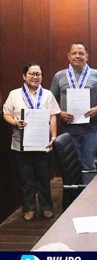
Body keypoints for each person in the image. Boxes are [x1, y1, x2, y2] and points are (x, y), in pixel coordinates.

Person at [3, 63, 61, 221]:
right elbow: (6, 113)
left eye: (38, 74)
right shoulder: (14, 94)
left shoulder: (47, 94)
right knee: (25, 178)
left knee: (43, 177)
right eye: (32, 74)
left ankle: (46, 207)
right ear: (24, 76)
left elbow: (53, 116)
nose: (35, 77)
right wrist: (15, 123)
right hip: (20, 144)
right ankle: (29, 208)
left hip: (42, 144)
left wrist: (53, 136)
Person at [51, 42, 97, 183]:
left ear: (87, 56)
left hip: (91, 129)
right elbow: (51, 100)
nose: (77, 56)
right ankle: (73, 199)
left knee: (89, 165)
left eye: (81, 53)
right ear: (68, 56)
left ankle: (88, 199)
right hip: (68, 130)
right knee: (72, 166)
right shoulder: (59, 76)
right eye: (74, 53)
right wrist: (60, 113)